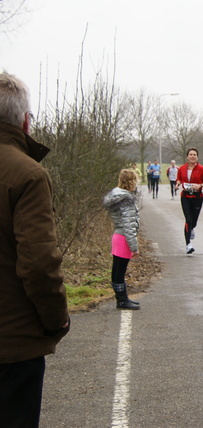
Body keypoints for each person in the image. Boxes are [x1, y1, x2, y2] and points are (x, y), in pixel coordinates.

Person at [0, 71, 70, 427]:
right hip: (12, 344)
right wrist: (56, 320)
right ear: (25, 121)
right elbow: (39, 264)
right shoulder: (27, 174)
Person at [103, 169, 141, 310]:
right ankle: (122, 300)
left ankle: (122, 298)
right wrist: (134, 247)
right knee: (119, 271)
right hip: (124, 238)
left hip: (118, 236)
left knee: (117, 270)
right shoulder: (127, 200)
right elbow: (129, 225)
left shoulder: (116, 195)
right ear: (131, 182)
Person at [175, 148, 203, 254]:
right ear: (187, 156)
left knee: (194, 220)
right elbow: (179, 179)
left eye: (194, 154)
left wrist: (200, 185)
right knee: (188, 219)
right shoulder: (182, 168)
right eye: (190, 154)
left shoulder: (202, 169)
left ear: (197, 157)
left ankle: (192, 228)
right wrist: (177, 184)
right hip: (185, 196)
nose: (192, 156)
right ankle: (188, 245)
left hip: (197, 197)